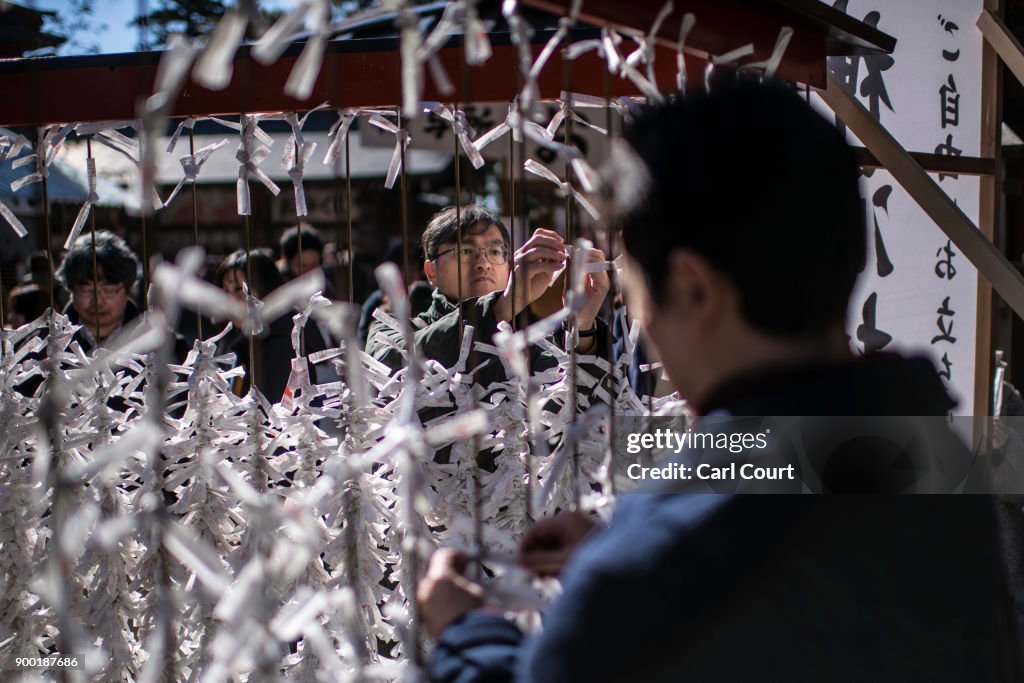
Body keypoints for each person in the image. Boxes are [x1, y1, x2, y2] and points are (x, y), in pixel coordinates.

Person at [417, 83, 1017, 681]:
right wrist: (623, 545)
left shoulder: (662, 562)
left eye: (637, 286)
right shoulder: (935, 458)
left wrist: (468, 633)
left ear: (695, 289)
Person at [366, 204, 610, 383]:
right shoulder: (390, 330)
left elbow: (578, 409)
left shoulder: (528, 345)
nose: (484, 262)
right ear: (431, 271)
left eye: (495, 252)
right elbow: (393, 365)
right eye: (465, 251)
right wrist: (500, 308)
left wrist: (583, 327)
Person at [215, 248, 328, 402]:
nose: (230, 301)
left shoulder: (282, 343)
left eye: (239, 291)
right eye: (226, 291)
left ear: (265, 289)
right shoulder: (240, 338)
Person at [56, 230, 142, 352]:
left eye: (108, 290)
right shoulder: (47, 346)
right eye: (86, 290)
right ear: (71, 290)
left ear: (128, 290)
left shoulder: (159, 343)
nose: (98, 301)